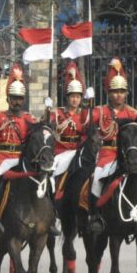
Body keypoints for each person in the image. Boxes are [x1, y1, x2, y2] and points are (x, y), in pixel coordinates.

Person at [88, 58, 137, 234]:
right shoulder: (100, 111)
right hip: (108, 153)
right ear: (109, 93)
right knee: (96, 178)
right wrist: (89, 105)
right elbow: (86, 123)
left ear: (126, 93)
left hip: (130, 155)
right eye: (115, 91)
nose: (118, 95)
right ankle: (96, 215)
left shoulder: (133, 113)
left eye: (122, 91)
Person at [0, 63, 38, 235]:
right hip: (2, 158)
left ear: (23, 99)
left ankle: (49, 218)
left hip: (20, 159)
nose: (17, 101)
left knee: (44, 182)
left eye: (19, 98)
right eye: (14, 98)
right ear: (8, 98)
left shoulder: (29, 119)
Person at [49, 61, 89, 194]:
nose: (75, 100)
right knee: (53, 171)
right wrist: (47, 111)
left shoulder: (85, 114)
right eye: (72, 96)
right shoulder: (59, 113)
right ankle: (53, 194)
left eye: (78, 97)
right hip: (62, 150)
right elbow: (49, 125)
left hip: (78, 150)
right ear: (67, 97)